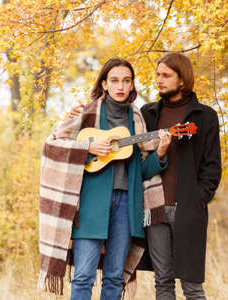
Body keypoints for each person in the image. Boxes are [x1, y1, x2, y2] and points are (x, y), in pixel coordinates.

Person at [38, 58, 171, 300]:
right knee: (83, 276)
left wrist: (160, 153)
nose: (120, 86)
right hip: (90, 205)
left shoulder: (138, 120)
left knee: (114, 277)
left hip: (126, 206)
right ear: (104, 84)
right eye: (115, 80)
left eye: (126, 81)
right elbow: (52, 146)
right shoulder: (86, 114)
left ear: (132, 86)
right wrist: (86, 148)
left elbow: (142, 170)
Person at [140, 52, 222, 300]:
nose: (159, 80)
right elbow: (141, 167)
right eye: (157, 74)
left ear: (182, 80)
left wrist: (198, 199)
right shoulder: (148, 114)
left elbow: (212, 166)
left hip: (189, 209)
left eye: (166, 75)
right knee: (162, 281)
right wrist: (160, 152)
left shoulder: (204, 116)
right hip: (154, 209)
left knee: (192, 285)